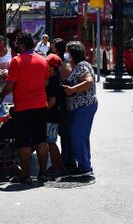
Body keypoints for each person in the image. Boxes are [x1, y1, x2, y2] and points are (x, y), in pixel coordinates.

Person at [0, 31, 50, 183]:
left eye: (17, 44)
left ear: (21, 45)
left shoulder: (17, 60)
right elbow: (46, 82)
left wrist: (1, 95)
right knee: (41, 140)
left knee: (24, 141)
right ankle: (43, 173)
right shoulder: (42, 60)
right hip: (41, 105)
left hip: (23, 106)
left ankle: (25, 175)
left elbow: (9, 86)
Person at [61, 41, 98, 177]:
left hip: (84, 105)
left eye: (68, 51)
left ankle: (84, 167)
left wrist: (71, 90)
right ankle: (85, 164)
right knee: (81, 136)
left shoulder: (81, 66)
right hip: (82, 105)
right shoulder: (78, 65)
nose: (66, 54)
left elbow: (88, 82)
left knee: (78, 135)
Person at [51, 37, 74, 170]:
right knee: (63, 132)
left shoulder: (64, 64)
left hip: (62, 103)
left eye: (52, 48)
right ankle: (66, 158)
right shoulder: (61, 63)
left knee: (64, 132)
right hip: (60, 103)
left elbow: (64, 85)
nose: (50, 50)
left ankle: (67, 160)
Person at [45, 53, 66, 177]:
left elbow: (52, 101)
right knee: (51, 142)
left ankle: (56, 167)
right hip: (55, 115)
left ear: (51, 66)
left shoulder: (53, 81)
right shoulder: (55, 78)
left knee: (51, 142)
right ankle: (59, 166)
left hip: (51, 116)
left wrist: (43, 112)